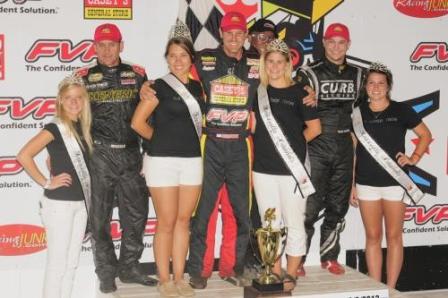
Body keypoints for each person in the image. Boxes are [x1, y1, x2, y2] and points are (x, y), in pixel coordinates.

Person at [75, 23, 157, 293]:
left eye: (112, 44)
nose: (107, 50)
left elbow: (148, 116)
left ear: (121, 45)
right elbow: (71, 119)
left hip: (132, 154)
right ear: (94, 47)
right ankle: (106, 272)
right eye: (102, 45)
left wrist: (151, 154)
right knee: (99, 219)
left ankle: (130, 268)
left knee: (136, 216)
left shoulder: (137, 74)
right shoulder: (83, 77)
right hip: (100, 155)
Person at [131, 23, 204, 297]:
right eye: (172, 56)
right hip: (161, 162)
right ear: (166, 58)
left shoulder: (199, 89)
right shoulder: (156, 88)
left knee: (184, 221)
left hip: (192, 162)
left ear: (191, 59)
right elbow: (138, 123)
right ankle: (164, 280)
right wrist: (159, 141)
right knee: (166, 221)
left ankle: (179, 277)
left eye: (183, 55)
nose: (178, 60)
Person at [350, 62, 432, 288]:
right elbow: (354, 151)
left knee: (394, 237)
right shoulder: (357, 114)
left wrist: (414, 158)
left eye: (381, 83)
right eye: (371, 83)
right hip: (366, 184)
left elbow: (425, 135)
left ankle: (391, 289)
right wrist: (352, 185)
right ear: (365, 86)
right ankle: (377, 288)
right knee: (373, 238)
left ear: (388, 87)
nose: (375, 88)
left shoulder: (401, 110)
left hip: (396, 184)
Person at [295, 22, 364, 275]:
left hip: (345, 144)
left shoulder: (359, 75)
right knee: (310, 207)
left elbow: (364, 113)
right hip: (316, 146)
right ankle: (297, 259)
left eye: (341, 42)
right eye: (331, 41)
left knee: (338, 206)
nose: (336, 46)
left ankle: (330, 256)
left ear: (348, 45)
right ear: (323, 43)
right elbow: (295, 108)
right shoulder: (307, 73)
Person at [252, 39, 321, 291]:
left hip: (293, 171)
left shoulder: (301, 92)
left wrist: (293, 144)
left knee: (293, 222)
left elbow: (315, 128)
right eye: (270, 61)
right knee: (269, 224)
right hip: (262, 169)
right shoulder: (257, 91)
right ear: (264, 63)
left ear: (288, 64)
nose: (274, 66)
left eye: (279, 62)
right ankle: (274, 270)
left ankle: (291, 274)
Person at [17, 75, 93, 298]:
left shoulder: (85, 128)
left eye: (78, 97)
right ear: (60, 100)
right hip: (59, 205)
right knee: (57, 265)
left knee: (71, 265)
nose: (74, 102)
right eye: (68, 98)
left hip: (80, 204)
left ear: (84, 101)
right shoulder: (55, 127)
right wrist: (47, 182)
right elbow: (24, 155)